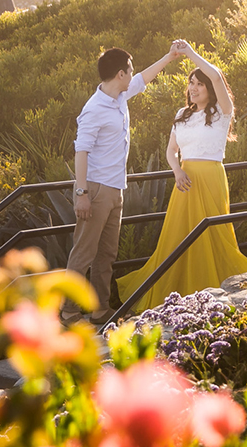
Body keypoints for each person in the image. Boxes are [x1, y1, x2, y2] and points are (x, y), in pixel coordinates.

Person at [114, 39, 247, 315]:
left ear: (210, 89)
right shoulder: (181, 114)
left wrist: (190, 53)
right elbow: (171, 151)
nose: (193, 88)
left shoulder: (221, 113)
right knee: (178, 239)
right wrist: (177, 171)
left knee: (213, 236)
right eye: (191, 84)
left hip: (211, 178)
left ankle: (214, 293)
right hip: (185, 182)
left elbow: (216, 75)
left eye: (199, 85)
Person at [68, 43, 183, 323]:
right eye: (129, 71)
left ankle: (99, 309)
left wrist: (169, 56)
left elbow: (145, 77)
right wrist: (81, 193)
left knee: (106, 253)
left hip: (115, 188)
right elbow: (80, 152)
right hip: (95, 189)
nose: (133, 76)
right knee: (84, 253)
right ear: (120, 74)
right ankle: (68, 311)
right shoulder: (94, 109)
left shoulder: (119, 96)